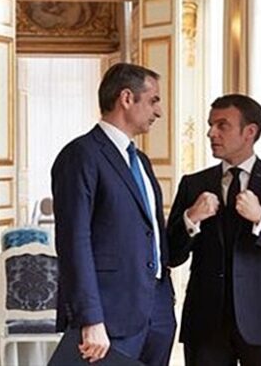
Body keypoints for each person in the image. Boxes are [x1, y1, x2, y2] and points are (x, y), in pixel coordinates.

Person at [166, 94, 261, 366]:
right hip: (205, 322)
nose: (211, 133)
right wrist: (192, 218)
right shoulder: (193, 184)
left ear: (250, 132)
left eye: (222, 126)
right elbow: (171, 255)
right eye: (210, 125)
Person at [52, 63, 175, 365]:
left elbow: (148, 232)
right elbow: (74, 241)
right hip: (109, 316)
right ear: (127, 98)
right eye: (154, 100)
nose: (159, 111)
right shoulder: (80, 155)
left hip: (157, 313)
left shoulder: (141, 161)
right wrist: (90, 318)